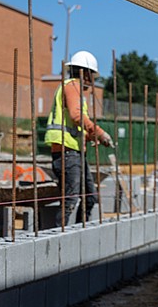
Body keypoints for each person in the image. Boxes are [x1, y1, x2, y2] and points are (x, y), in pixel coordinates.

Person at [44, 50, 115, 226]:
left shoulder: (74, 89)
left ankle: (78, 232)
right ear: (85, 72)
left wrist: (90, 136)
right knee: (70, 201)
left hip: (74, 152)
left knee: (90, 198)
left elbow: (76, 122)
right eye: (93, 75)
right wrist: (99, 132)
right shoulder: (72, 86)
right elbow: (77, 116)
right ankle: (60, 236)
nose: (93, 80)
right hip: (66, 152)